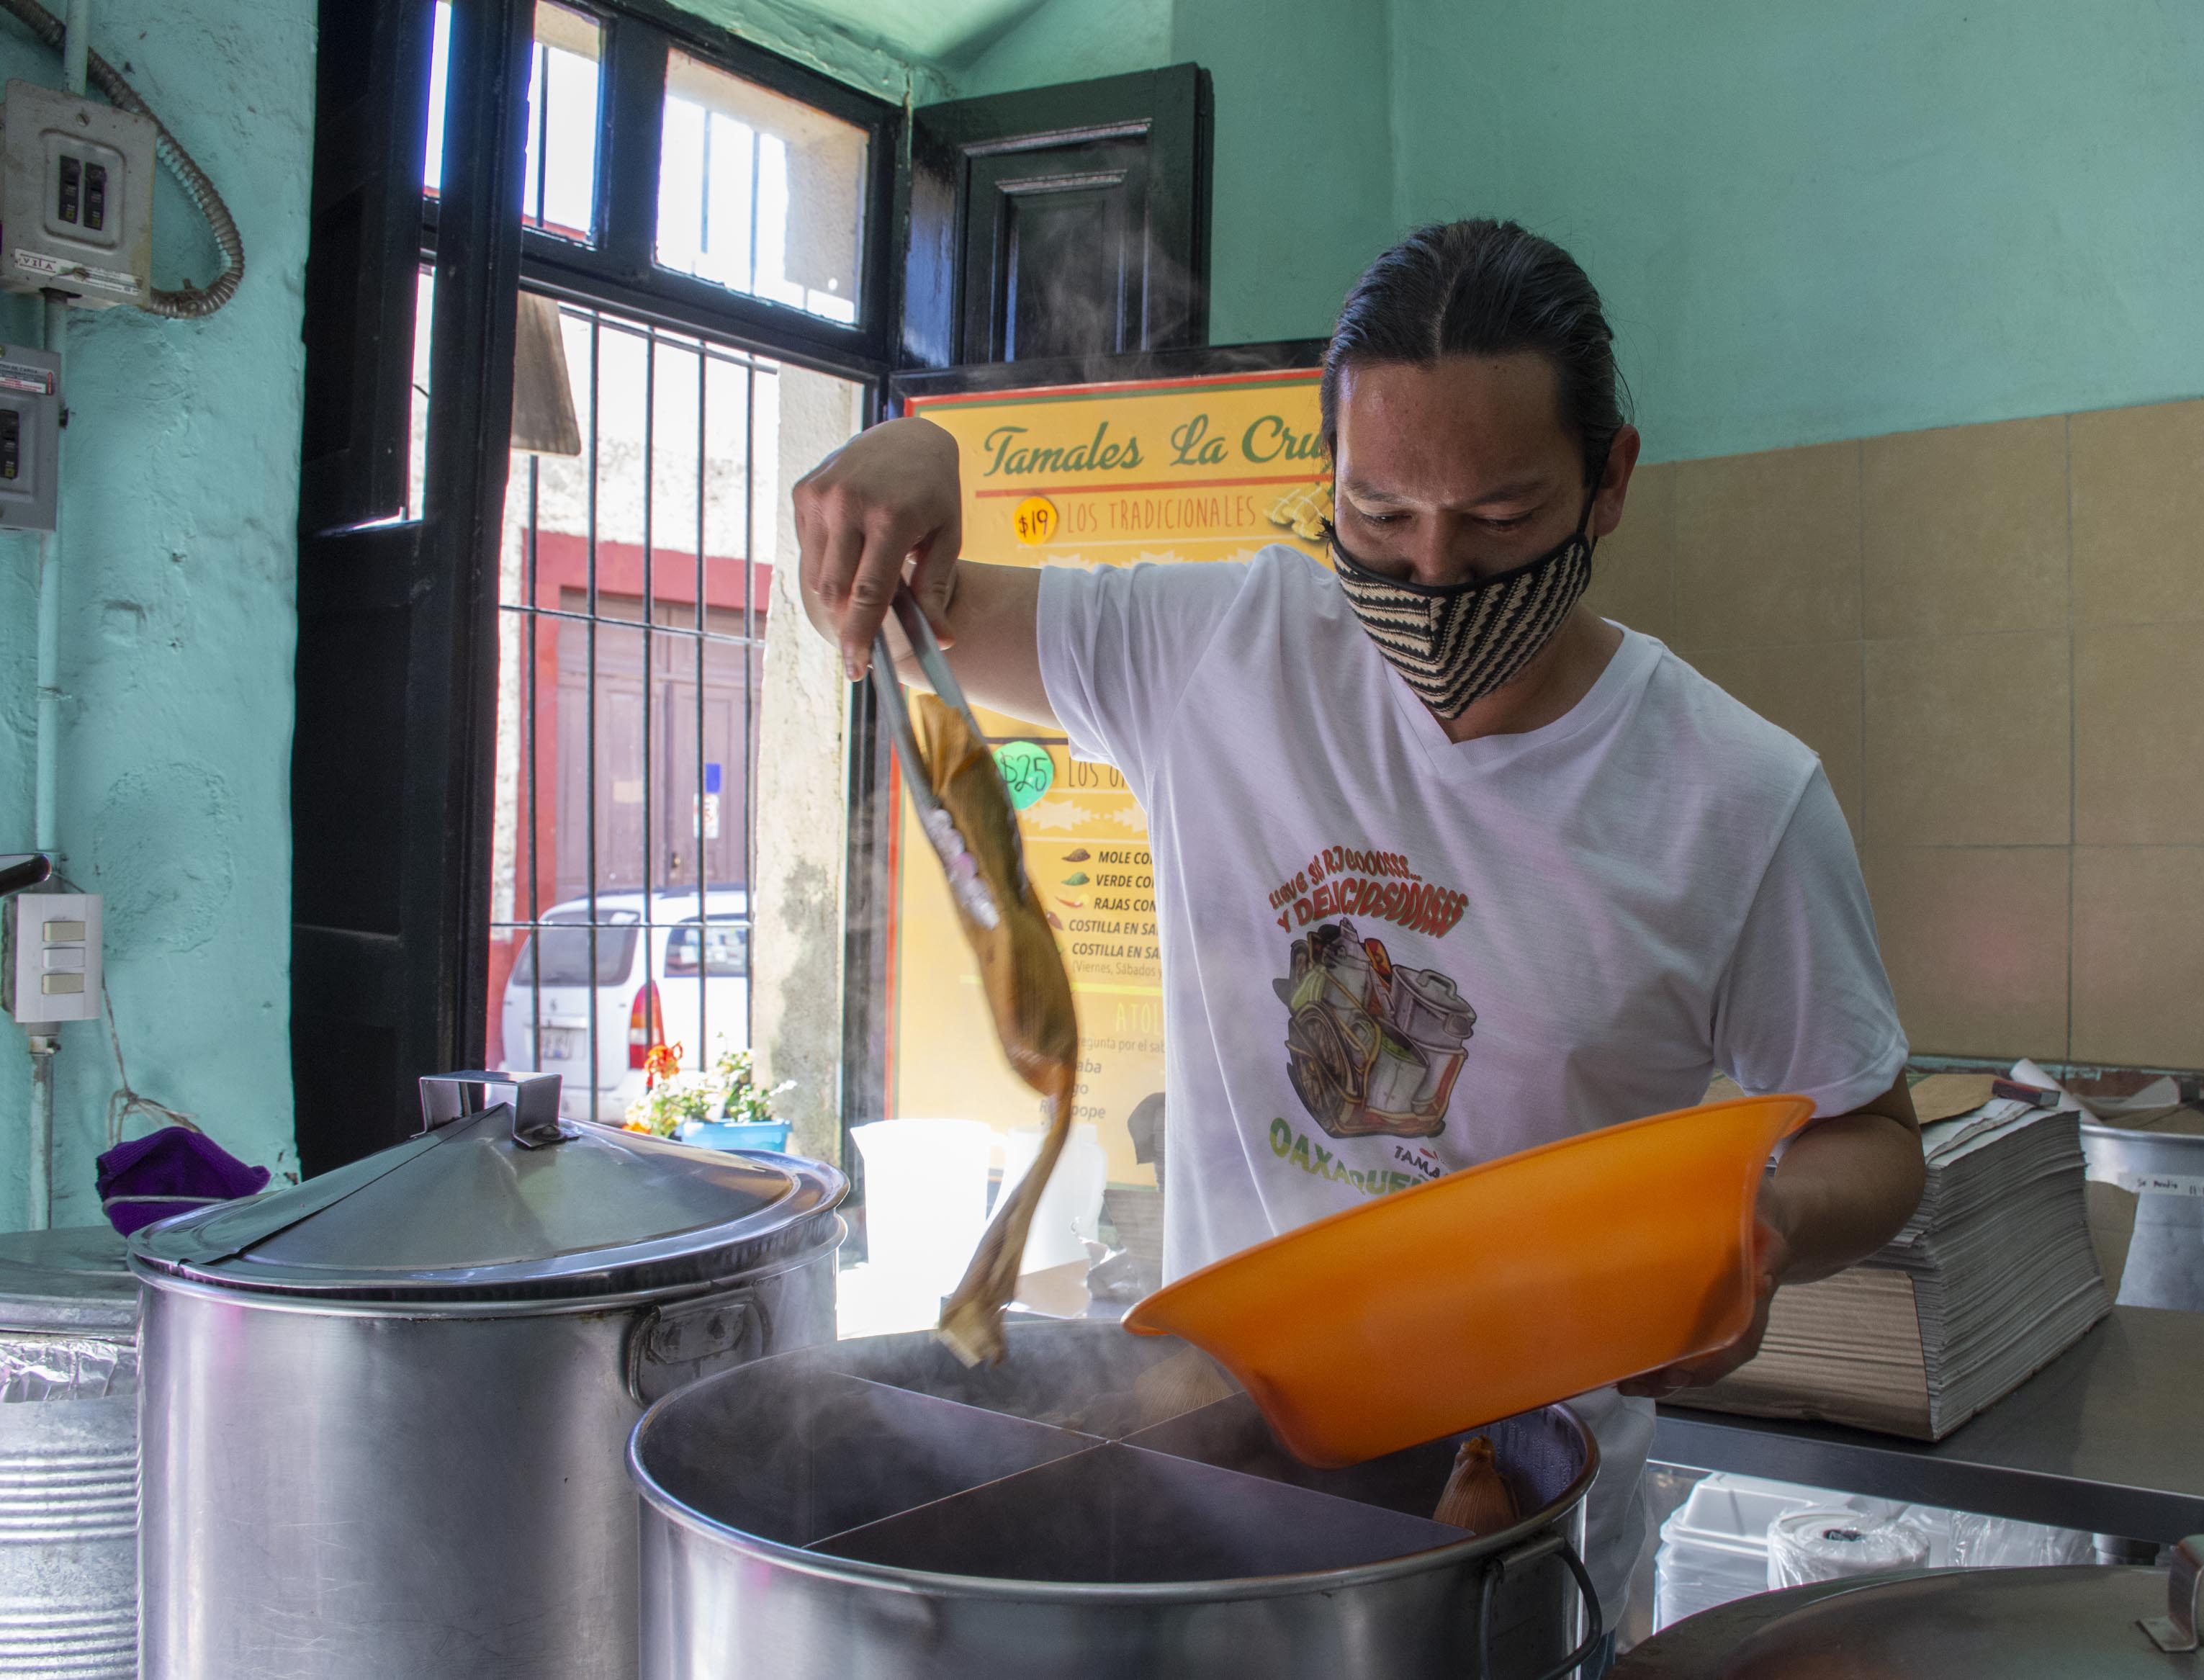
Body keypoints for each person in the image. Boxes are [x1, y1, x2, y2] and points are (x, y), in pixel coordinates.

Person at [793, 219, 1922, 1636]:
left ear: (1609, 480)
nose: (1434, 576)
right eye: (1380, 515)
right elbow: (912, 609)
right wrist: (911, 467)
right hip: (1217, 1471)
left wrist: (1757, 1222)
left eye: (1500, 518)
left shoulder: (1733, 796)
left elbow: (1878, 1143)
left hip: (1512, 1510)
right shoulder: (1226, 654)